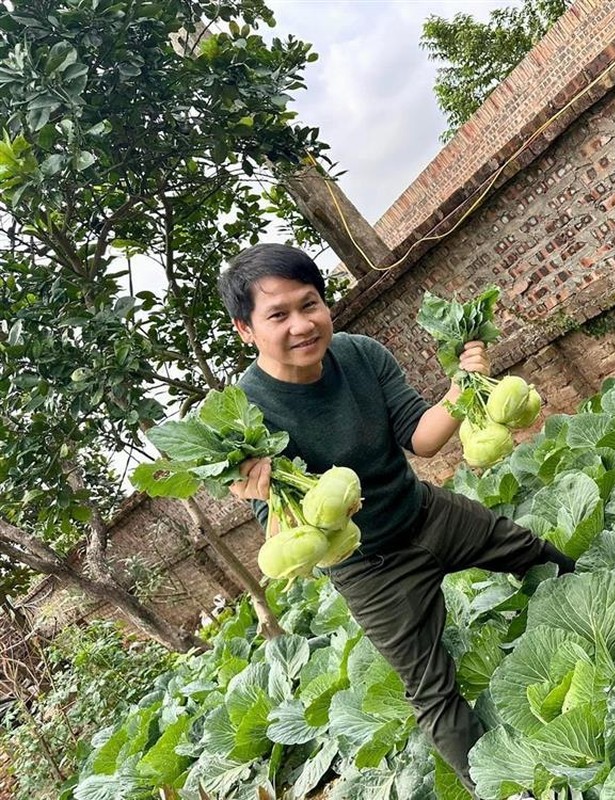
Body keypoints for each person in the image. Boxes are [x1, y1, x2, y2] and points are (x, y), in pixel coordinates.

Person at [217, 243, 574, 796]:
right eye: (278, 315)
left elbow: (423, 438)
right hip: (370, 568)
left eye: (309, 304)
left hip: (426, 511)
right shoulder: (244, 414)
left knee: (534, 551)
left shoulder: (359, 354)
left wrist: (462, 383)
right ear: (246, 330)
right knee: (433, 691)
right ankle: (506, 789)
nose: (301, 325)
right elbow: (292, 540)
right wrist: (254, 486)